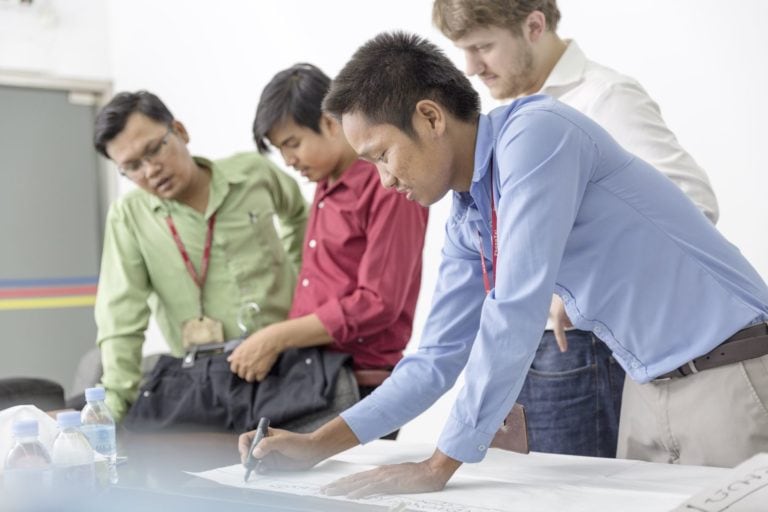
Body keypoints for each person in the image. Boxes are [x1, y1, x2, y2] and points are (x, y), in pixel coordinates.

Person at [238, 32, 768, 496]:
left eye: (381, 154)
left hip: (726, 371)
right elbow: (436, 358)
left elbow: (516, 304)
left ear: (429, 116)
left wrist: (439, 466)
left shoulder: (537, 133)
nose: (385, 179)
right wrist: (316, 443)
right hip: (646, 386)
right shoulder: (469, 212)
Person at [431, 0, 719, 457]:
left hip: (582, 350)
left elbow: (692, 208)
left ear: (534, 26)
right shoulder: (508, 121)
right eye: (462, 50)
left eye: (482, 46)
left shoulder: (606, 97)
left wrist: (578, 290)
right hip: (531, 349)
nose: (470, 67)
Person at [228, 64, 428, 430]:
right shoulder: (325, 184)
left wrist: (276, 336)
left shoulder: (388, 185)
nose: (289, 161)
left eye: (293, 144)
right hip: (311, 374)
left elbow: (378, 302)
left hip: (358, 382)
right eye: (280, 150)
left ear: (331, 122)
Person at [92, 90, 312, 424]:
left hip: (290, 361)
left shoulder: (254, 173)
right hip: (207, 383)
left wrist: (305, 290)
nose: (150, 171)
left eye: (153, 150)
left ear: (179, 131)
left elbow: (299, 216)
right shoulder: (129, 217)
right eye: (132, 167)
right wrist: (113, 406)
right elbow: (120, 316)